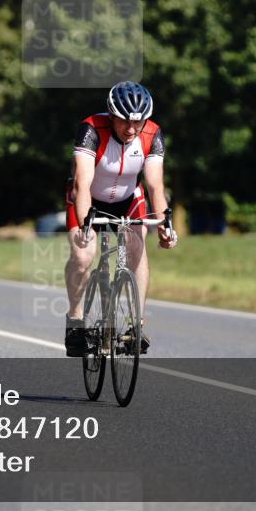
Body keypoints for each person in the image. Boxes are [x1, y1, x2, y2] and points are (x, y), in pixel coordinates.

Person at [63, 81, 177, 357]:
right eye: (125, 121)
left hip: (129, 200)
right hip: (88, 198)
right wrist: (85, 225)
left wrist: (165, 225)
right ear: (112, 116)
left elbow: (154, 187)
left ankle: (135, 325)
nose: (131, 129)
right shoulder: (91, 128)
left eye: (138, 122)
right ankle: (75, 320)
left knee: (137, 247)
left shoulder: (152, 134)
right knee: (83, 256)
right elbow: (82, 183)